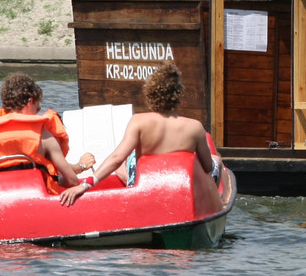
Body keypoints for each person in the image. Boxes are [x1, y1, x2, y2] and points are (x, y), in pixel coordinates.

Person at [59, 62, 217, 206]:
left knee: (125, 160)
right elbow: (208, 167)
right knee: (217, 160)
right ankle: (218, 202)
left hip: (145, 187)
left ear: (150, 95)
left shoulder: (138, 122)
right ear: (179, 96)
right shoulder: (195, 127)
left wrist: (83, 185)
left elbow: (115, 159)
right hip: (179, 188)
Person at [0, 73, 90, 196]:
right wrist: (58, 180)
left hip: (1, 200)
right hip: (36, 200)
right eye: (37, 109)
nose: (37, 113)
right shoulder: (45, 137)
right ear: (30, 102)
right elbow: (72, 181)